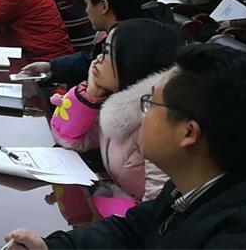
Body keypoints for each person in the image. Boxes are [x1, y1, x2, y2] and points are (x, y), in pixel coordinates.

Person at [5, 44, 246, 249]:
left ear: (188, 133)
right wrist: (50, 247)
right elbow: (131, 231)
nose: (141, 116)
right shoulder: (195, 180)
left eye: (149, 104)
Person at [50, 19, 185, 216]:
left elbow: (156, 211)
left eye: (107, 52)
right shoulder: (116, 101)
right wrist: (91, 95)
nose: (98, 59)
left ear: (134, 61)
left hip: (137, 221)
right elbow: (71, 140)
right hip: (120, 207)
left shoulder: (160, 120)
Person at [20, 0, 145, 85]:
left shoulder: (129, 54)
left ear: (103, 6)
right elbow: (89, 62)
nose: (86, 11)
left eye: (87, 4)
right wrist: (52, 68)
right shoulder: (124, 35)